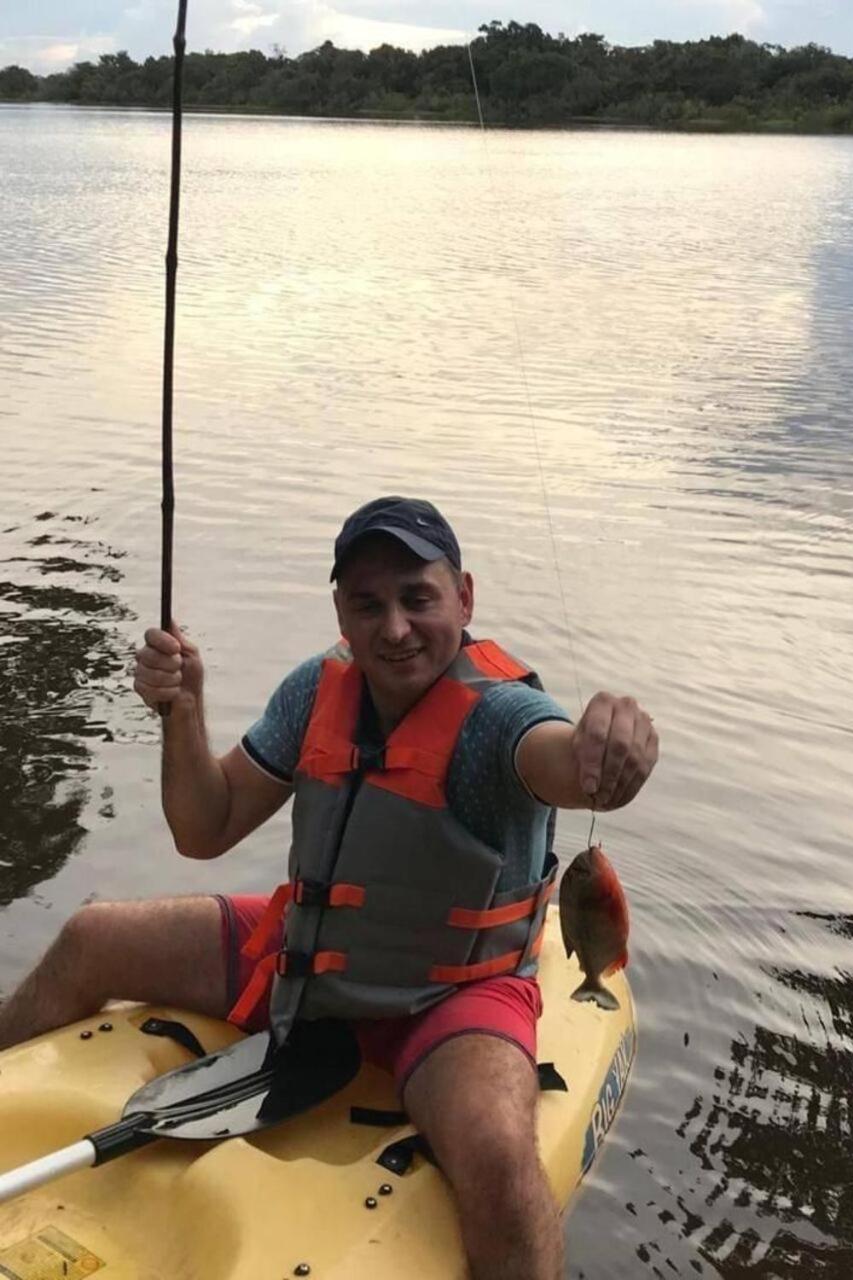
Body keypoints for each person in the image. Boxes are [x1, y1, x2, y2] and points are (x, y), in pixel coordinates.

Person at [0, 496, 658, 1280]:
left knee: (497, 1158)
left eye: (418, 598)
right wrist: (182, 711)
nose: (395, 628)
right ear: (342, 611)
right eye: (368, 604)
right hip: (306, 961)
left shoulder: (503, 717)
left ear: (464, 598)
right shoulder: (317, 689)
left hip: (449, 998)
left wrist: (601, 752)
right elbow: (205, 828)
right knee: (91, 939)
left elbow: (559, 761)